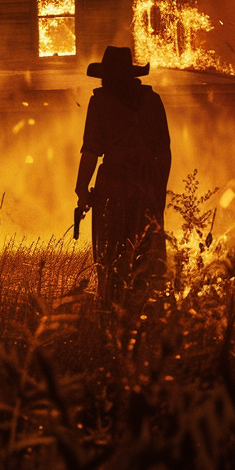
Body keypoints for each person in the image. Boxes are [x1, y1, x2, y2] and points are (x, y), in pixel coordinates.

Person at [74, 45, 172, 310]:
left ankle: (112, 304)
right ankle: (146, 306)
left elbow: (92, 150)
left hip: (113, 186)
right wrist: (158, 190)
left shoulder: (101, 101)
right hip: (145, 186)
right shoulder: (152, 101)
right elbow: (164, 152)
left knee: (110, 251)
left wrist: (82, 189)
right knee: (146, 250)